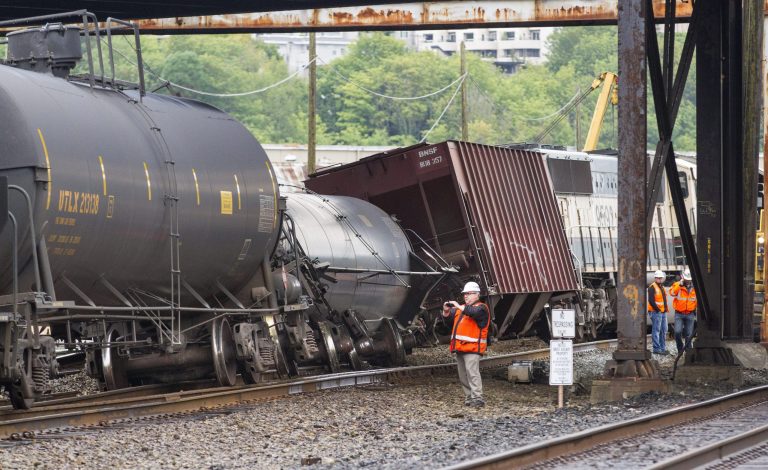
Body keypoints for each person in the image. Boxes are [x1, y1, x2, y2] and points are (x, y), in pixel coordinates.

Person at [442, 281, 491, 408]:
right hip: (460, 348)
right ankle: (469, 397)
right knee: (463, 375)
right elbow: (447, 323)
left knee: (472, 373)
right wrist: (446, 312)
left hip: (473, 348)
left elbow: (472, 312)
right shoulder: (461, 309)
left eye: (469, 293)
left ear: (477, 295)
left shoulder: (482, 308)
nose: (466, 296)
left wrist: (457, 305)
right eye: (465, 294)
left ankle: (477, 398)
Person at [670, 268, 697, 354]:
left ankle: (689, 351)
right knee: (677, 332)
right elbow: (672, 293)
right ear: (683, 278)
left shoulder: (695, 287)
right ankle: (680, 348)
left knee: (689, 335)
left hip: (690, 314)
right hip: (679, 314)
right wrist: (679, 286)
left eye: (689, 280)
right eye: (686, 279)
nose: (688, 281)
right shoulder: (677, 285)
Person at [647, 270, 669, 355]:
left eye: (660, 278)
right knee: (656, 330)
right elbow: (651, 300)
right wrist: (658, 310)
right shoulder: (652, 287)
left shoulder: (661, 287)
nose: (659, 279)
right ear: (655, 278)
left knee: (664, 330)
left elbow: (663, 300)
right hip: (656, 312)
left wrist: (664, 310)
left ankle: (662, 348)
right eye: (658, 278)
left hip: (662, 312)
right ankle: (656, 348)